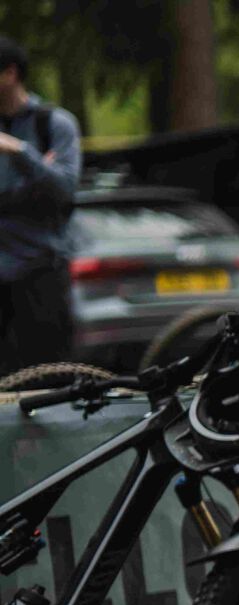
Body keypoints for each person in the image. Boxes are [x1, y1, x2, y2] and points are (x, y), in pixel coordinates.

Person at [0, 36, 81, 375]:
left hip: (40, 273)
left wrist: (20, 152)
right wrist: (38, 173)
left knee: (49, 378)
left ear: (10, 74)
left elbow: (62, 188)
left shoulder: (53, 125)